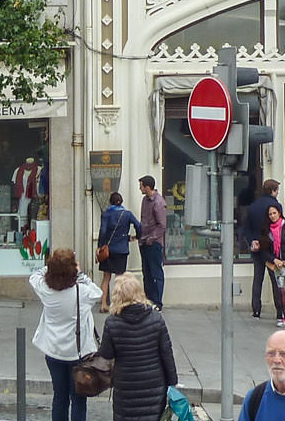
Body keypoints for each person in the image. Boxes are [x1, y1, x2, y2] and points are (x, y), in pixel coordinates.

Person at [29, 248, 99, 421]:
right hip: (78, 353)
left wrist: (51, 268)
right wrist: (80, 273)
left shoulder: (45, 290)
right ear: (72, 271)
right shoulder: (82, 293)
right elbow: (98, 291)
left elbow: (34, 276)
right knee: (78, 399)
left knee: (59, 397)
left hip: (54, 351)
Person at [97, 273, 176, 421]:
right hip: (153, 384)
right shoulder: (156, 319)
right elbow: (167, 354)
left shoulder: (112, 323)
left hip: (125, 386)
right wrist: (172, 382)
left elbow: (106, 354)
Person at [250, 203, 285, 328]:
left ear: (279, 213)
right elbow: (265, 250)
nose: (273, 216)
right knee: (282, 292)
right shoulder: (267, 230)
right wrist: (274, 260)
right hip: (278, 265)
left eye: (274, 213)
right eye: (270, 214)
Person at [240, 179, 282, 318]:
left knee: (258, 278)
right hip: (270, 248)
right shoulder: (275, 206)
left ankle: (256, 309)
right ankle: (280, 311)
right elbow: (276, 228)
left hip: (257, 247)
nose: (278, 193)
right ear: (273, 191)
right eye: (277, 190)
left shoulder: (253, 206)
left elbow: (246, 228)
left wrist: (253, 241)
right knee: (275, 279)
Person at [96, 191, 138, 312]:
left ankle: (103, 304)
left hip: (108, 250)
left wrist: (100, 246)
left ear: (110, 201)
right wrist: (135, 236)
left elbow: (103, 231)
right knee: (119, 278)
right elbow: (138, 225)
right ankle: (118, 305)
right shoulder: (127, 214)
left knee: (106, 278)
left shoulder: (106, 214)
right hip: (121, 249)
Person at [137, 175, 168, 309]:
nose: (140, 188)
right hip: (144, 241)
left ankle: (157, 302)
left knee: (156, 272)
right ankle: (148, 300)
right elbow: (144, 221)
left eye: (141, 185)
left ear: (147, 187)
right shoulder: (145, 200)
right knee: (146, 272)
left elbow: (162, 225)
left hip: (153, 243)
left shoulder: (158, 203)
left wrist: (151, 238)